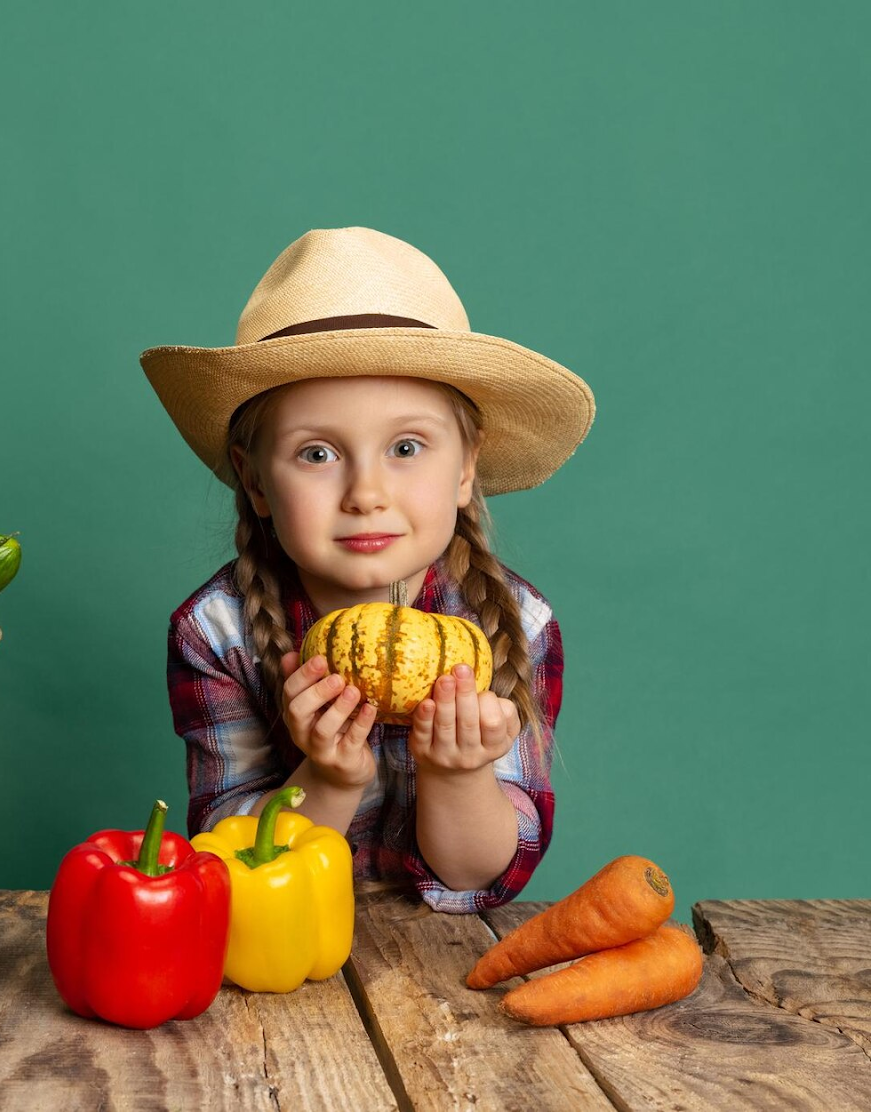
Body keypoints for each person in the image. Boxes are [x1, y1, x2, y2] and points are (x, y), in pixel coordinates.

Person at [140, 227, 595, 913]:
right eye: (317, 454)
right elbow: (230, 872)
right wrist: (325, 777)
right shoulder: (218, 631)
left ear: (466, 466)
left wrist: (458, 772)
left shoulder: (515, 624)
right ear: (256, 481)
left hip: (443, 968)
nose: (366, 493)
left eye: (406, 446)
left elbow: (480, 876)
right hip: (280, 957)